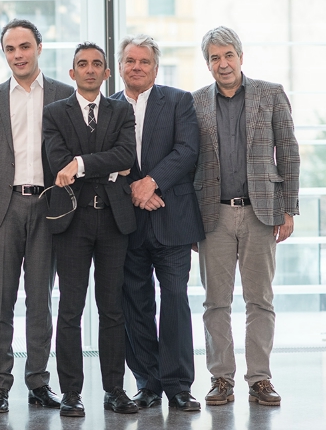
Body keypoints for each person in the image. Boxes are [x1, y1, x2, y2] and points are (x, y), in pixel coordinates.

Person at [0, 19, 74, 413]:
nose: (18, 55)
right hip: (4, 209)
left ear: (39, 48)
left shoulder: (63, 94)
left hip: (48, 206)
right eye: (10, 49)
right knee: (0, 300)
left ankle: (38, 382)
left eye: (25, 47)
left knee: (40, 301)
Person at [192, 26, 300, 407]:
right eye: (214, 58)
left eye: (228, 55)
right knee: (215, 303)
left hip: (261, 212)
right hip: (213, 216)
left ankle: (260, 379)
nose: (222, 64)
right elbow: (189, 162)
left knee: (260, 301)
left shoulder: (270, 94)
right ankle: (221, 378)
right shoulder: (195, 103)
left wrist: (288, 208)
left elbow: (288, 153)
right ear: (207, 63)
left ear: (240, 56)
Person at [43, 42, 138, 417]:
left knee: (112, 308)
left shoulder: (121, 110)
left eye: (97, 64)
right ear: (72, 73)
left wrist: (80, 164)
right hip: (73, 220)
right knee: (70, 308)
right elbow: (57, 162)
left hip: (114, 220)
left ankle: (115, 390)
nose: (90, 69)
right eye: (82, 64)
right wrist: (108, 167)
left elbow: (126, 156)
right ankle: (71, 392)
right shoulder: (55, 113)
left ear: (106, 72)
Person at [112, 35, 205, 412]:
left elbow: (187, 150)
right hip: (126, 223)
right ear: (120, 66)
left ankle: (178, 385)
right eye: (130, 61)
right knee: (135, 303)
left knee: (175, 299)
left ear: (155, 67)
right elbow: (103, 158)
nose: (137, 67)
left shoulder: (179, 101)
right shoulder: (109, 106)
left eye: (144, 61)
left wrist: (151, 182)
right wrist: (135, 189)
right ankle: (147, 382)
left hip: (173, 217)